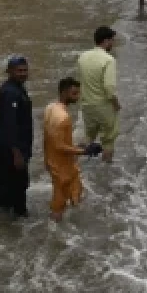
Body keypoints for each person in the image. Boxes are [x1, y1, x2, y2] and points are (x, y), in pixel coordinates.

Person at [43, 77, 99, 222]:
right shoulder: (63, 117)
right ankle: (58, 232)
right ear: (64, 92)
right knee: (59, 203)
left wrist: (46, 159)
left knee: (76, 193)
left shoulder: (50, 108)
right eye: (74, 94)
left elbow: (47, 137)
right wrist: (85, 151)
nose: (77, 97)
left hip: (55, 161)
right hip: (62, 165)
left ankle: (73, 228)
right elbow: (59, 146)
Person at [0, 55, 33, 217]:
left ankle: (4, 214)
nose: (23, 74)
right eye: (19, 71)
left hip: (8, 144)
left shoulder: (16, 88)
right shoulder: (10, 93)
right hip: (10, 147)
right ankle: (19, 217)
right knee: (18, 183)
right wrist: (17, 153)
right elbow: (10, 124)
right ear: (9, 71)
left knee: (7, 180)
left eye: (25, 70)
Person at [78, 26, 120, 164]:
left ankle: (73, 160)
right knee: (108, 139)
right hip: (103, 106)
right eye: (112, 41)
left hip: (86, 105)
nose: (113, 44)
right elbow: (109, 88)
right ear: (106, 41)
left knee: (89, 135)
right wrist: (116, 104)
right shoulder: (108, 60)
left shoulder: (82, 57)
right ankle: (106, 170)